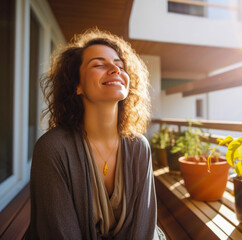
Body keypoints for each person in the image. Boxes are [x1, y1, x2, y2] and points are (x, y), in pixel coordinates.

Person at [27, 28, 165, 239]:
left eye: (120, 65)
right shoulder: (52, 149)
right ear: (77, 85)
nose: (115, 69)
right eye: (99, 64)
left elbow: (144, 230)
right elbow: (60, 234)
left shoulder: (139, 146)